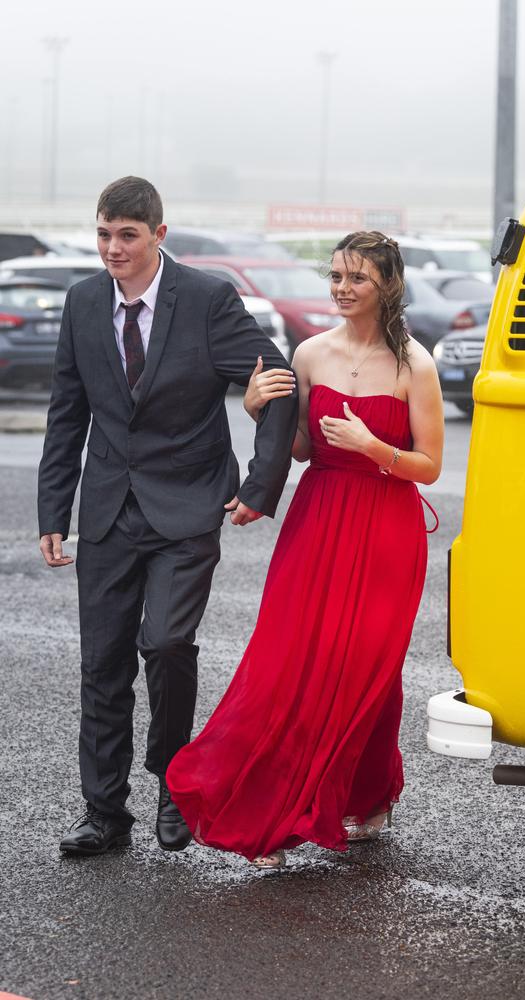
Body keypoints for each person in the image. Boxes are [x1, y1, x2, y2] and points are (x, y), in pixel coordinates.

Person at [37, 176, 298, 856]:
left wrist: (261, 483)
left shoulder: (207, 300)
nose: (112, 248)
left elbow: (275, 381)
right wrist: (53, 508)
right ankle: (104, 815)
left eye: (126, 235)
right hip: (106, 514)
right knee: (102, 665)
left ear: (158, 233)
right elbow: (67, 412)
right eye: (103, 234)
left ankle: (174, 783)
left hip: (185, 509)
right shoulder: (83, 301)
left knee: (167, 644)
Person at [167, 231, 444, 869]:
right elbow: (296, 448)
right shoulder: (311, 354)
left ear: (388, 287)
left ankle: (365, 795)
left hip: (386, 530)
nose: (342, 289)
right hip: (318, 517)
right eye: (337, 276)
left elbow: (429, 466)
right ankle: (272, 813)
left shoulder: (416, 366)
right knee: (289, 661)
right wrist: (255, 406)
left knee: (367, 669)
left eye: (357, 279)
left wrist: (373, 446)